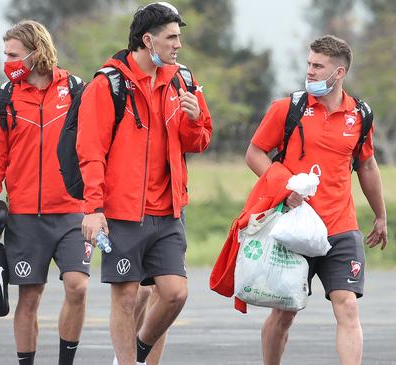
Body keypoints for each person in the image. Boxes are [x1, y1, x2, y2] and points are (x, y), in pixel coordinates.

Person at [76, 3, 212, 364]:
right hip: (122, 213)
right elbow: (90, 153)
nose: (178, 45)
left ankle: (138, 350)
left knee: (173, 294)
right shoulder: (106, 85)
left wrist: (195, 119)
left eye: (179, 37)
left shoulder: (182, 80)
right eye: (171, 37)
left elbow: (198, 142)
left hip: (169, 211)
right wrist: (93, 208)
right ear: (148, 40)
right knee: (124, 297)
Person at [245, 34, 388, 365]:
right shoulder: (287, 108)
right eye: (309, 64)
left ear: (338, 73)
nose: (309, 71)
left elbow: (366, 164)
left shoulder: (361, 115)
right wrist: (284, 187)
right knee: (284, 314)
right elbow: (254, 153)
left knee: (348, 305)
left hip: (340, 227)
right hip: (294, 229)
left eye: (318, 66)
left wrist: (380, 215)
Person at [0, 20, 90, 365]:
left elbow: (94, 149)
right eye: (5, 54)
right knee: (30, 297)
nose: (7, 61)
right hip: (25, 216)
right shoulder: (4, 99)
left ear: (36, 53)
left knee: (78, 287)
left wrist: (98, 201)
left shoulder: (76, 90)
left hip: (72, 212)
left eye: (13, 55)